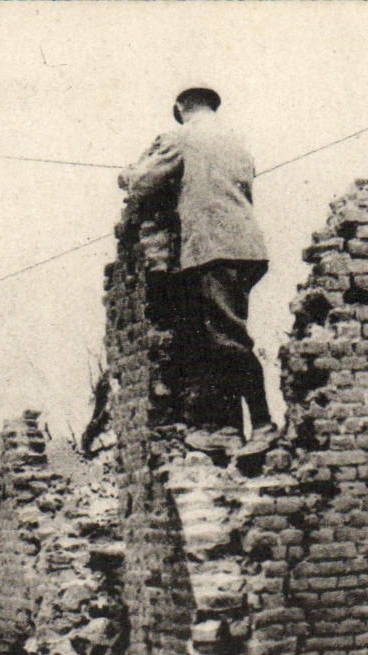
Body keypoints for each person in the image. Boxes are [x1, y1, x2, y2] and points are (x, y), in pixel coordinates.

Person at [119, 84, 277, 456]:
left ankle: (264, 425)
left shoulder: (180, 137)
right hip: (246, 249)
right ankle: (228, 431)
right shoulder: (237, 140)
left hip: (213, 250)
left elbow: (142, 183)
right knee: (220, 338)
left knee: (227, 338)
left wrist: (125, 176)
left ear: (180, 107)